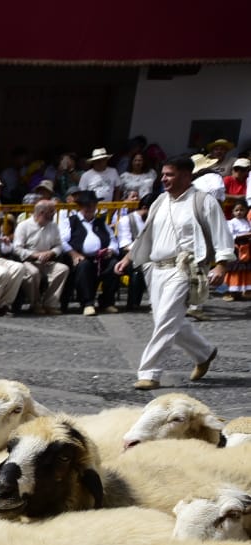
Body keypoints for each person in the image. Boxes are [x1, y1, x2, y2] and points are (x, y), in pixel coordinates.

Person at [115, 155, 234, 391]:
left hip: (184, 269)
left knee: (167, 320)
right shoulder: (159, 201)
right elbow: (146, 234)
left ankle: (149, 372)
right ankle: (205, 352)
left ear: (186, 175)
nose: (164, 179)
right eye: (163, 174)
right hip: (156, 268)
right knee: (166, 321)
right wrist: (129, 257)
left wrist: (221, 264)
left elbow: (223, 235)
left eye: (169, 174)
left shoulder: (203, 201)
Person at [62, 190, 121, 316]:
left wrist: (110, 250)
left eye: (92, 205)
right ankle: (87, 303)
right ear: (80, 206)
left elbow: (113, 240)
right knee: (84, 266)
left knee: (114, 264)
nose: (89, 208)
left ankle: (107, 301)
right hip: (80, 258)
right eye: (86, 205)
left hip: (101, 258)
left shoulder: (101, 222)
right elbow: (62, 241)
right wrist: (74, 254)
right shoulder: (70, 221)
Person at [13, 199, 70, 315]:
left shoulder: (53, 226)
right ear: (42, 213)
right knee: (33, 273)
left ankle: (50, 303)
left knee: (63, 269)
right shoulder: (23, 226)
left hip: (47, 261)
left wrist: (51, 253)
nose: (54, 214)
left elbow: (59, 245)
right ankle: (36, 303)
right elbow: (17, 248)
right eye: (51, 212)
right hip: (29, 260)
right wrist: (34, 255)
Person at [223, 200, 250, 300]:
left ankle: (243, 290)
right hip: (236, 248)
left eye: (242, 210)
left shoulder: (247, 222)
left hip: (246, 248)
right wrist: (243, 235)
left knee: (244, 269)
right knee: (234, 269)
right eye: (236, 210)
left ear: (246, 211)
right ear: (233, 212)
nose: (239, 212)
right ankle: (230, 291)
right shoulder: (231, 223)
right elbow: (230, 235)